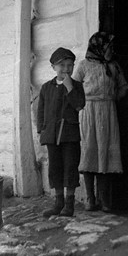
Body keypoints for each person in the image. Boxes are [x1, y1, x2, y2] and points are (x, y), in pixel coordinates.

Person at [73, 31, 128, 213]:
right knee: (90, 151)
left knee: (105, 152)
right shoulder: (83, 66)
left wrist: (111, 99)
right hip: (89, 111)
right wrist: (81, 104)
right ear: (98, 48)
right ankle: (90, 199)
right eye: (107, 47)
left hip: (108, 112)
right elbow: (73, 88)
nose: (110, 50)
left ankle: (105, 200)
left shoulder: (113, 66)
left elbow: (123, 86)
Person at [36, 46, 86, 217]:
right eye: (62, 65)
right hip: (51, 134)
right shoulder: (46, 87)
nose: (66, 69)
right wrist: (41, 130)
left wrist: (70, 87)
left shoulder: (77, 86)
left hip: (70, 134)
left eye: (70, 65)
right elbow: (41, 111)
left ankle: (69, 205)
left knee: (70, 167)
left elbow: (79, 105)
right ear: (53, 67)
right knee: (55, 168)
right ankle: (58, 203)